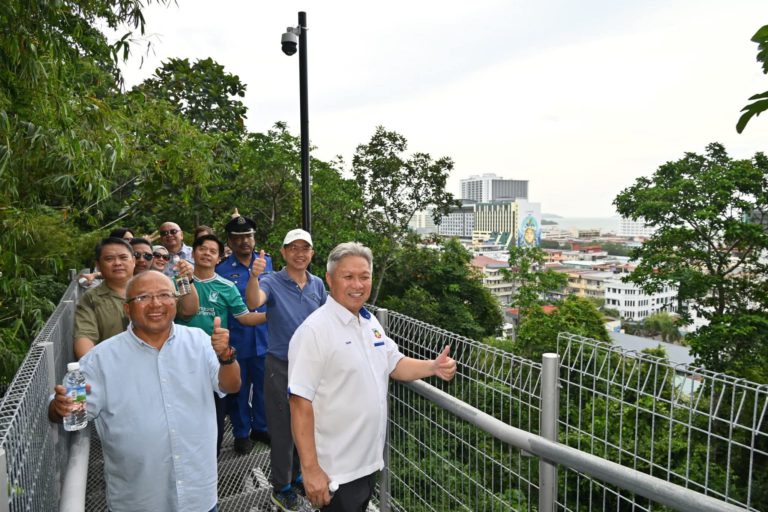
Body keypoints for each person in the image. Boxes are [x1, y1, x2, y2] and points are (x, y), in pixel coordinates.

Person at [49, 270, 240, 512]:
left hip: (198, 495)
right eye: (143, 298)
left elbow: (231, 386)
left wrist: (226, 357)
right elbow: (61, 408)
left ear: (175, 301)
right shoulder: (102, 359)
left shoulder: (199, 341)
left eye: (164, 295)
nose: (156, 303)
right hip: (138, 500)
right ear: (127, 309)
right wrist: (59, 407)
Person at [288, 242, 457, 511]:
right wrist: (310, 470)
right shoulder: (314, 332)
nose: (358, 284)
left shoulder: (369, 322)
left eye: (364, 276)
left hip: (367, 463)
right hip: (336, 471)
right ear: (330, 280)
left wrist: (432, 367)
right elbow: (299, 402)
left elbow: (394, 363)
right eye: (348, 277)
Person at [246, 228, 327, 511]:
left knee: (308, 427)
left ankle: (300, 477)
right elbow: (254, 302)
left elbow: (329, 319)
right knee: (282, 431)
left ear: (312, 253)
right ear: (283, 252)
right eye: (293, 248)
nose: (299, 253)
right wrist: (254, 276)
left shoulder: (317, 284)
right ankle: (281, 487)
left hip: (313, 368)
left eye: (305, 248)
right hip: (280, 366)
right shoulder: (271, 280)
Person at [177, 234, 266, 455]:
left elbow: (245, 316)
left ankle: (211, 460)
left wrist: (273, 315)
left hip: (213, 358)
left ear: (219, 258)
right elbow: (187, 312)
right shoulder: (177, 281)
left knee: (214, 414)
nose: (207, 253)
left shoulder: (226, 286)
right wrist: (187, 280)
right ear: (194, 252)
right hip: (180, 357)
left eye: (212, 251)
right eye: (202, 249)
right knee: (181, 413)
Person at [216, 215, 272, 454]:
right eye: (238, 238)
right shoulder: (222, 269)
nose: (244, 242)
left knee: (264, 387)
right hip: (239, 338)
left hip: (265, 338)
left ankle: (261, 426)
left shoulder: (267, 262)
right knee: (238, 389)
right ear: (229, 241)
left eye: (248, 236)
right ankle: (241, 433)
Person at [74, 238, 135, 359]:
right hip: (113, 366)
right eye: (109, 259)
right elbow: (85, 337)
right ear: (98, 265)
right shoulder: (91, 298)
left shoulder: (151, 290)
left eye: (123, 257)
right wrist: (93, 367)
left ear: (133, 261)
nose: (117, 263)